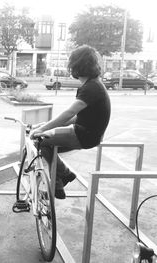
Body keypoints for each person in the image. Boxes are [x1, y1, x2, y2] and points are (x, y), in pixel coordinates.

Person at [30, 45, 111, 199]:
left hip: (84, 135)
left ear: (77, 66)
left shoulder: (91, 88)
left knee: (40, 141)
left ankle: (64, 175)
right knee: (45, 141)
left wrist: (42, 129)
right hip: (87, 133)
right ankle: (59, 182)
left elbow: (69, 113)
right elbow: (77, 117)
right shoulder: (93, 84)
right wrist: (43, 127)